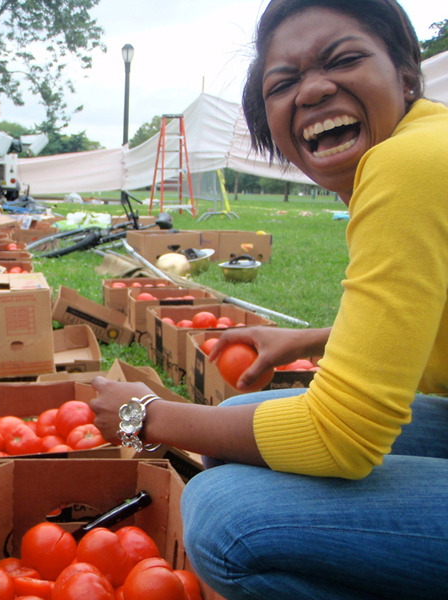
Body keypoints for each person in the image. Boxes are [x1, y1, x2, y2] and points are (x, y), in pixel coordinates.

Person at [89, 0, 448, 598]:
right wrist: (308, 339)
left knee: (224, 516)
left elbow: (344, 438)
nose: (312, 92)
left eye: (345, 59)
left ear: (407, 73)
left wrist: (147, 414)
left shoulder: (407, 164)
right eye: (284, 83)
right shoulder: (426, 146)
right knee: (233, 423)